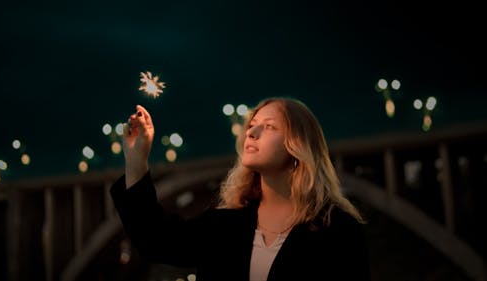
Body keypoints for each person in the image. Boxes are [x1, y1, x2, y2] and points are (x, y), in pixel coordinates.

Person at [110, 97, 371, 281]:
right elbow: (156, 240)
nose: (251, 133)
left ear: (298, 146)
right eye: (251, 126)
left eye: (269, 127)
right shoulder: (224, 225)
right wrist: (136, 161)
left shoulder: (339, 231)